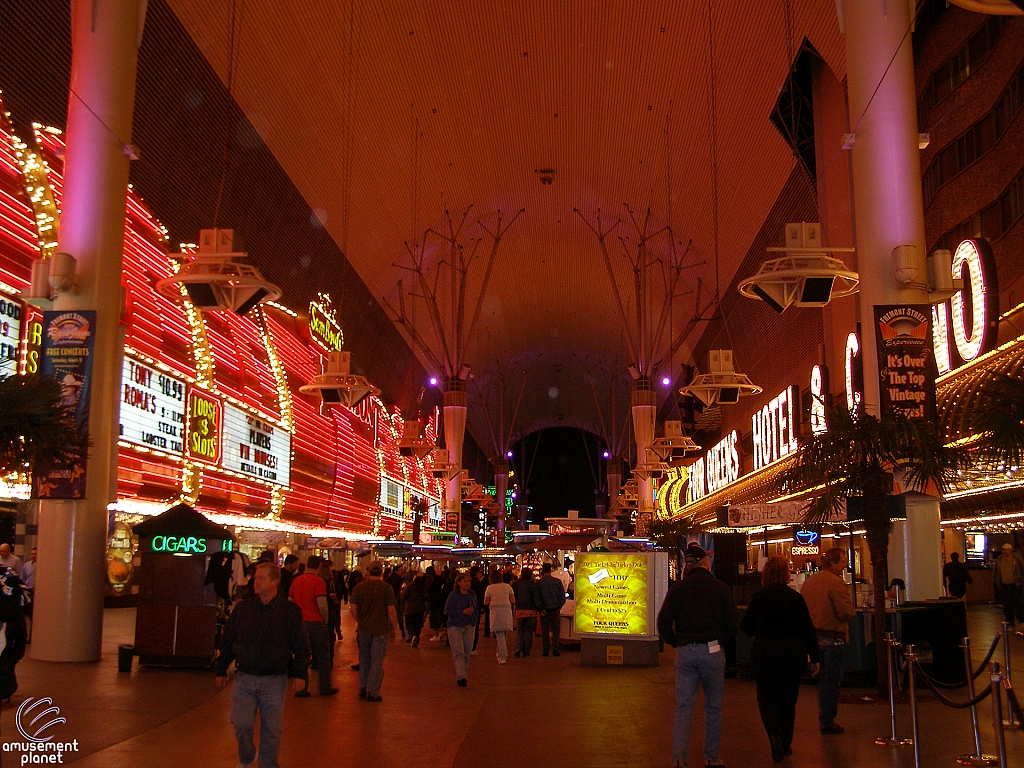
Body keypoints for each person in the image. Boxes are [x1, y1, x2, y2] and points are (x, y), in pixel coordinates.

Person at [215, 562, 310, 768]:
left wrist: (300, 674)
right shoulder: (244, 609)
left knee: (272, 731)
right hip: (245, 677)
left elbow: (301, 645)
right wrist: (221, 668)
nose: (255, 582)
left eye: (261, 578)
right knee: (241, 724)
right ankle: (247, 755)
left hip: (275, 679)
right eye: (255, 578)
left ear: (275, 582)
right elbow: (229, 640)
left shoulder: (289, 612)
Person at [657, 543, 737, 768]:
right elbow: (733, 624)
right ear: (705, 563)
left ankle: (680, 760)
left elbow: (663, 621)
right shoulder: (721, 588)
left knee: (683, 707)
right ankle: (712, 757)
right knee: (713, 707)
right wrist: (719, 638)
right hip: (712, 650)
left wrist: (676, 641)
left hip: (685, 651)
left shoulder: (678, 589)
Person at [740, 556, 820, 763]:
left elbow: (746, 627)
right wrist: (815, 657)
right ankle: (786, 742)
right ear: (786, 574)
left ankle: (773, 736)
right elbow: (807, 630)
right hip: (793, 650)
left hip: (765, 649)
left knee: (766, 697)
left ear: (765, 574)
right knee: (788, 697)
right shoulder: (795, 598)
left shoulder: (759, 597)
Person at [801, 547, 856, 735]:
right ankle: (827, 719)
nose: (844, 565)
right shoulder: (836, 583)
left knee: (822, 680)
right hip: (834, 639)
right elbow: (845, 612)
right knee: (831, 682)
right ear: (833, 563)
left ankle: (825, 717)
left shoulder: (809, 582)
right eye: (841, 561)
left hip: (814, 638)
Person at [349, 561, 399, 702]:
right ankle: (372, 692)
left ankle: (363, 687)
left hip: (364, 630)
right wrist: (395, 628)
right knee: (377, 660)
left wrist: (360, 621)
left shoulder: (359, 588)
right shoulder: (386, 588)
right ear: (382, 572)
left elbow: (352, 608)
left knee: (364, 659)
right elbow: (391, 610)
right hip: (380, 629)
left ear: (369, 571)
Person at [288, 555, 337, 697]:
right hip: (316, 623)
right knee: (322, 656)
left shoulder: (296, 581)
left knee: (301, 656)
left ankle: (301, 688)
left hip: (300, 623)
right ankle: (324, 687)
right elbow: (322, 604)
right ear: (319, 566)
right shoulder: (318, 581)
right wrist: (325, 619)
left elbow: (290, 600)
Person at [444, 571, 478, 686]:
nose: (467, 583)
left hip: (469, 625)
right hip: (455, 626)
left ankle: (463, 671)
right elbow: (447, 611)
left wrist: (474, 619)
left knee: (467, 651)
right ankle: (461, 676)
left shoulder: (472, 595)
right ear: (458, 583)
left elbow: (476, 608)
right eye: (464, 581)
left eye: (468, 581)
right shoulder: (453, 595)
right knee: (458, 652)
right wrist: (462, 612)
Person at [484, 569, 515, 663]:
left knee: (499, 633)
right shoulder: (507, 587)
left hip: (495, 610)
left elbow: (485, 602)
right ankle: (500, 652)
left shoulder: (489, 588)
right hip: (506, 610)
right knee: (503, 632)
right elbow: (513, 600)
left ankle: (502, 656)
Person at [536, 562, 566, 656]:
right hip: (555, 609)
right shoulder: (557, 582)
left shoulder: (539, 583)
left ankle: (545, 650)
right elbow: (562, 596)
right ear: (550, 570)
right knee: (556, 629)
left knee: (545, 630)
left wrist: (540, 609)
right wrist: (559, 606)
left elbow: (537, 598)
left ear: (542, 571)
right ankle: (555, 648)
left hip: (544, 610)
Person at [994, 542, 1024, 627]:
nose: (1004, 551)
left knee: (1019, 604)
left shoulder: (1017, 559)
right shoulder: (999, 559)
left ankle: (1021, 621)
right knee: (1007, 606)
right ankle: (1010, 623)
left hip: (1016, 585)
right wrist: (996, 582)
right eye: (1003, 549)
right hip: (1004, 586)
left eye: (1006, 549)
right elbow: (996, 572)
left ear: (1010, 550)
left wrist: (1021, 580)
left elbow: (1022, 569)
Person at [513, 567, 539, 658]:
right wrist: (539, 608)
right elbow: (536, 597)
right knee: (529, 631)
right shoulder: (533, 584)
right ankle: (527, 651)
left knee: (520, 630)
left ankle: (518, 647)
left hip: (520, 610)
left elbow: (514, 597)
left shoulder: (516, 584)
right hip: (531, 610)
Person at [316, 559, 342, 647]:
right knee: (330, 627)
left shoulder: (317, 580)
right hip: (330, 607)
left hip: (318, 606)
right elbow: (332, 593)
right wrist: (337, 602)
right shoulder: (331, 580)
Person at [403, 570, 429, 647]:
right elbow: (426, 597)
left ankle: (412, 635)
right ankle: (416, 638)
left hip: (409, 608)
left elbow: (404, 596)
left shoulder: (409, 586)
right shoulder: (422, 588)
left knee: (409, 624)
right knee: (418, 625)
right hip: (420, 608)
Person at [386, 564, 407, 639]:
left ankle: (390, 630)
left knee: (389, 615)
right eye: (400, 570)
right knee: (399, 614)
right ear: (396, 571)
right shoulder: (400, 579)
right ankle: (402, 630)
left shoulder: (389, 578)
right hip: (397, 599)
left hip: (389, 599)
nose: (401, 571)